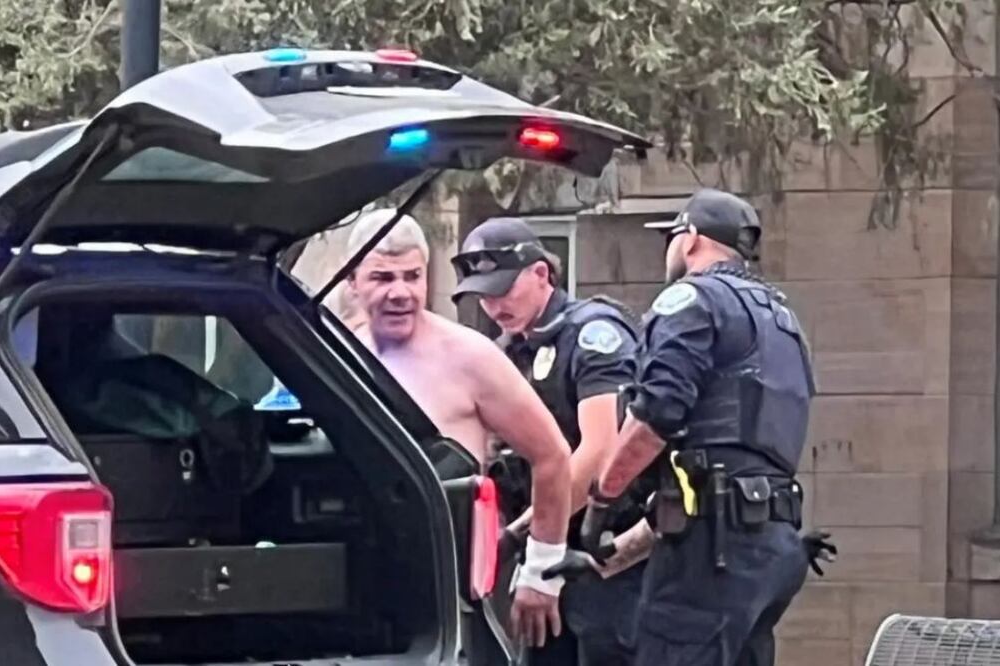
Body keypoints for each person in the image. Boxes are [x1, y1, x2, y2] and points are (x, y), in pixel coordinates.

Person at [579, 188, 816, 666]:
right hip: (772, 545)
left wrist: (601, 500)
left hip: (714, 553)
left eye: (670, 237)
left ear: (690, 239)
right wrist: (608, 558)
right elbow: (714, 474)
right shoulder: (782, 319)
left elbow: (656, 415)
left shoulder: (691, 299)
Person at [342, 208, 574, 650]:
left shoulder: (470, 356)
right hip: (362, 583)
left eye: (413, 277)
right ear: (352, 281)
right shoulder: (339, 355)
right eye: (382, 278)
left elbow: (552, 455)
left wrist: (542, 570)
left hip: (454, 592)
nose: (400, 292)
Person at [450, 217, 651, 666]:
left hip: (605, 556)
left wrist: (532, 538)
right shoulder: (510, 351)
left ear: (541, 273)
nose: (494, 305)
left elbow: (600, 451)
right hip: (549, 551)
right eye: (484, 295)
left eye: (504, 289)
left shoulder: (592, 335)